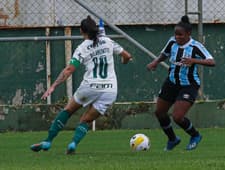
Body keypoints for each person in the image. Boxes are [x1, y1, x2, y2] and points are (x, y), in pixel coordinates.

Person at [30, 15, 132, 154]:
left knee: (68, 111)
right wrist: (124, 62)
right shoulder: (108, 41)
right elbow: (126, 56)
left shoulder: (82, 48)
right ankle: (73, 143)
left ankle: (48, 141)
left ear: (82, 31)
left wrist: (53, 86)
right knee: (86, 120)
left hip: (90, 86)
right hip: (110, 90)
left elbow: (69, 70)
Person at [147, 15, 215, 151]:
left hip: (189, 85)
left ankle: (195, 135)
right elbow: (165, 54)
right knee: (160, 112)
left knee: (177, 117)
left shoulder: (196, 46)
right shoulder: (172, 42)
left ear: (188, 34)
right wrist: (155, 62)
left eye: (181, 35)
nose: (177, 37)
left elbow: (211, 61)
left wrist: (194, 60)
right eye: (176, 34)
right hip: (171, 82)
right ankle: (172, 139)